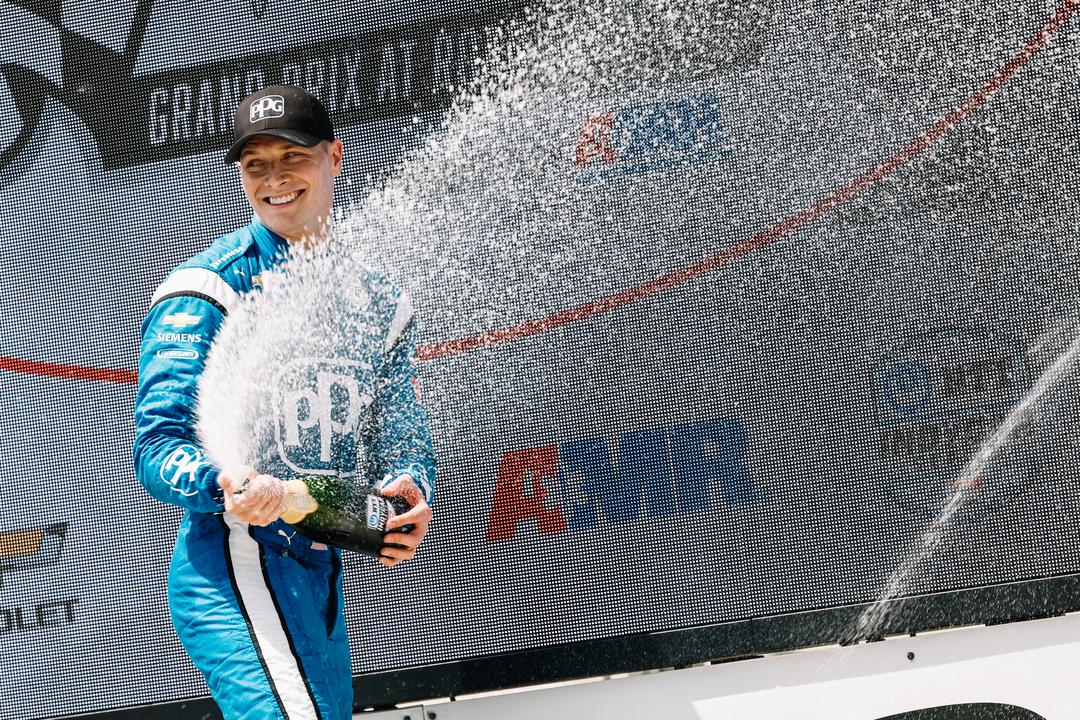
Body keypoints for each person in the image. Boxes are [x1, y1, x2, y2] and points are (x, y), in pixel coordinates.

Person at [132, 85, 436, 720]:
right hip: (237, 571)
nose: (274, 179)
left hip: (320, 575)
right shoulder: (206, 289)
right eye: (255, 165)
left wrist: (407, 497)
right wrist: (227, 481)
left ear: (334, 157)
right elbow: (158, 448)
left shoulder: (377, 297)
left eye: (291, 157)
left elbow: (401, 437)